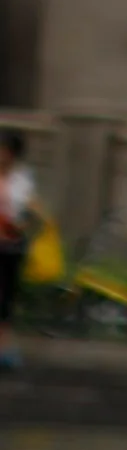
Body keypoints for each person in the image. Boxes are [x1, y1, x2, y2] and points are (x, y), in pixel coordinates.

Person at [0, 130, 33, 375]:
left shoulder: (22, 180)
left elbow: (25, 215)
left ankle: (5, 347)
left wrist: (15, 224)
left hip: (9, 246)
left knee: (5, 299)